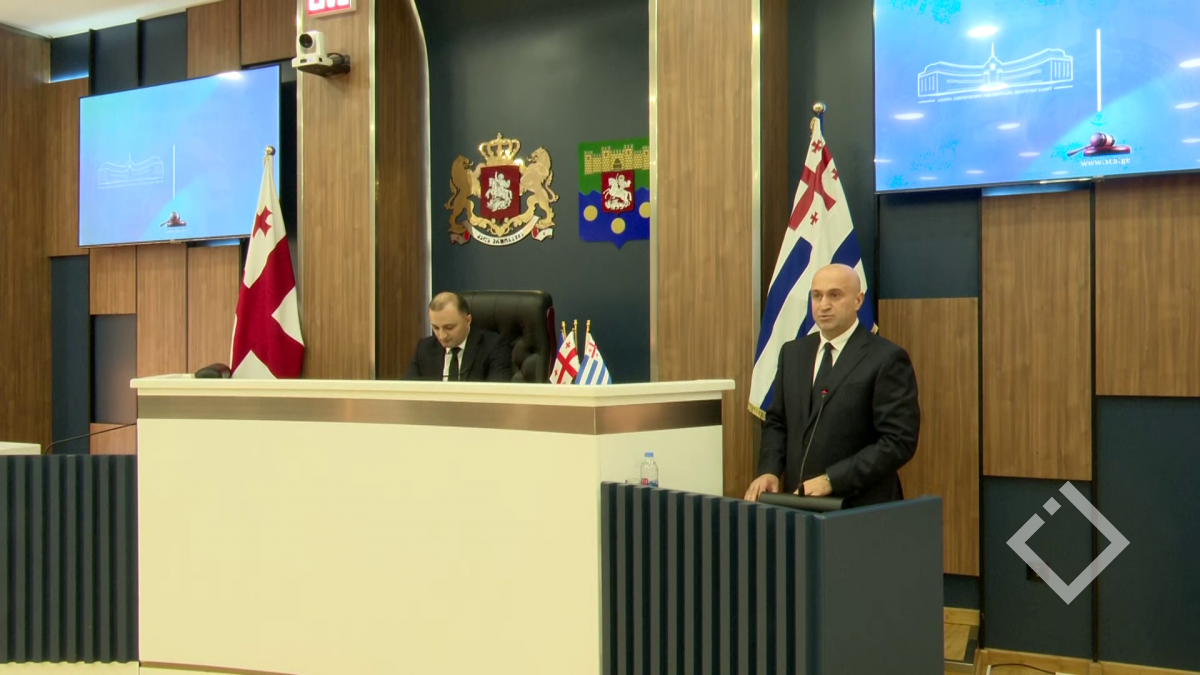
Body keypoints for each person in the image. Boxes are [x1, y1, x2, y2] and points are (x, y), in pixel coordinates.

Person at [744, 264, 920, 508]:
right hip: (799, 504)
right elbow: (778, 422)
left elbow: (898, 441)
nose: (823, 305)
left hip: (859, 507)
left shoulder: (886, 358)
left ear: (858, 300)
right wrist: (769, 470)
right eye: (817, 296)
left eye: (834, 295)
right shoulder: (793, 353)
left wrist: (832, 480)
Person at [406, 292, 513, 382]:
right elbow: (409, 392)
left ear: (467, 320)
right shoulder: (424, 349)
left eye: (449, 327)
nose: (442, 336)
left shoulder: (494, 346)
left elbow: (497, 394)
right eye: (436, 328)